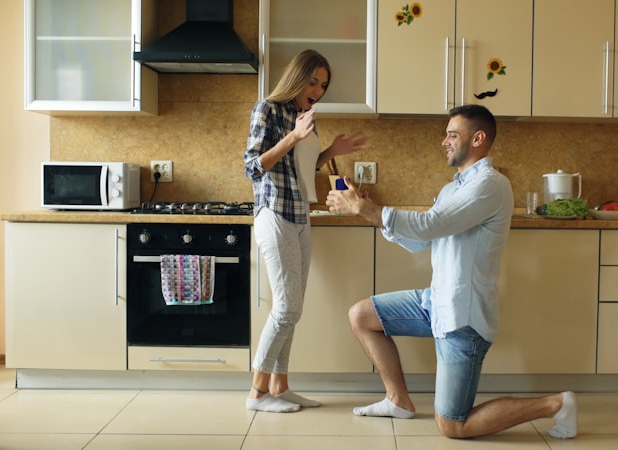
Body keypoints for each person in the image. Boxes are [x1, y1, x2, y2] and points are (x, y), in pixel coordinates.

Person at [325, 104, 578, 439]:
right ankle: (398, 400)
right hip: (436, 302)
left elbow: (429, 224)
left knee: (454, 425)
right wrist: (370, 213)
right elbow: (422, 239)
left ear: (478, 139)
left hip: (463, 317)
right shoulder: (452, 189)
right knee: (362, 316)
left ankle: (557, 404)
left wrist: (367, 208)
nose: (444, 141)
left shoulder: (490, 184)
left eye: (452, 135)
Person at [243, 49, 367, 413]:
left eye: (323, 85)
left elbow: (302, 167)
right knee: (285, 308)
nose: (318, 90)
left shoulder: (305, 117)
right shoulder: (267, 109)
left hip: (300, 216)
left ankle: (280, 387)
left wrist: (330, 151)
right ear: (297, 78)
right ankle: (257, 392)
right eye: (313, 82)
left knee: (293, 308)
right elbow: (252, 167)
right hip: (274, 214)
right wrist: (294, 137)